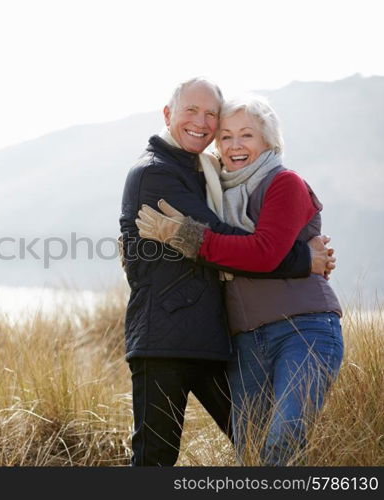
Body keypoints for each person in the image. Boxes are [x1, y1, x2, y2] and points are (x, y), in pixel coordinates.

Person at [118, 77, 334, 466]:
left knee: (257, 448)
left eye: (210, 115)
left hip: (215, 338)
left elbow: (246, 246)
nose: (201, 122)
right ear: (168, 114)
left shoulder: (207, 173)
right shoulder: (156, 172)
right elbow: (224, 239)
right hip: (164, 341)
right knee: (155, 460)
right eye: (191, 111)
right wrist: (303, 260)